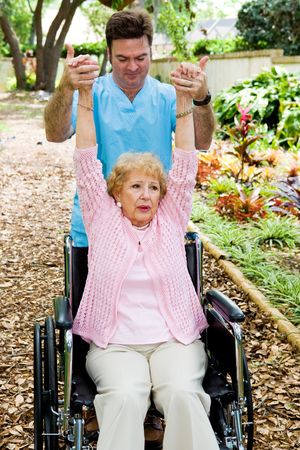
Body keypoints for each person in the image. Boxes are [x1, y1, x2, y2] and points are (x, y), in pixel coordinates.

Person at [72, 39, 219, 450]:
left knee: (183, 395)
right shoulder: (102, 221)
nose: (145, 195)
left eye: (154, 187)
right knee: (124, 397)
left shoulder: (170, 221)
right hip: (116, 344)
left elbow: (187, 164)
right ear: (116, 193)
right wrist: (84, 95)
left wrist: (187, 101)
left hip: (173, 341)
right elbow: (86, 160)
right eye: (135, 186)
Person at [44, 8, 215, 250]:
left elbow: (202, 142)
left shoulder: (167, 96)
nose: (132, 67)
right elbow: (54, 134)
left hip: (155, 226)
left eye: (140, 58)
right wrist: (64, 87)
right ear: (109, 54)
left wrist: (201, 97)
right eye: (123, 59)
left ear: (151, 53)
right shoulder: (90, 93)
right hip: (95, 226)